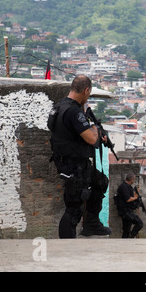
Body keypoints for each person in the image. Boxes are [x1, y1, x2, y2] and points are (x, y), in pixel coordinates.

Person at [48, 75, 112, 238]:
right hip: (73, 165)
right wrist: (95, 129)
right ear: (86, 90)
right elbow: (91, 139)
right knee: (73, 209)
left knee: (100, 181)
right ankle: (67, 245)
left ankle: (91, 224)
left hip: (73, 162)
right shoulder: (73, 111)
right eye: (89, 94)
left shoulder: (60, 106)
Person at [116, 172, 143, 238]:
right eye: (134, 179)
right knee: (139, 223)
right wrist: (136, 197)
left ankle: (125, 241)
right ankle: (132, 235)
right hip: (125, 211)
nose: (134, 181)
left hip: (128, 210)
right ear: (132, 180)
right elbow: (128, 199)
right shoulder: (123, 187)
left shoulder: (128, 187)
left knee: (126, 230)